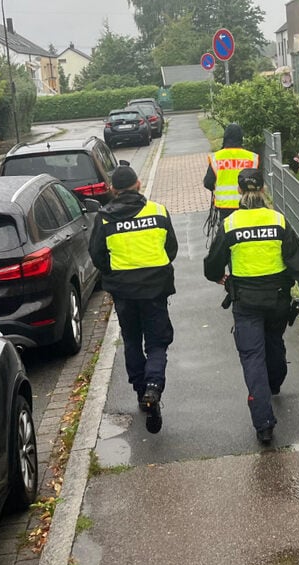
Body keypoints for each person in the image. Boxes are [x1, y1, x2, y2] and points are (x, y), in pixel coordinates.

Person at [203, 168, 299, 444]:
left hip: (246, 303)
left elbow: (212, 263)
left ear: (239, 191)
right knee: (274, 345)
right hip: (277, 301)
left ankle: (264, 424)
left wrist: (218, 277)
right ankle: (275, 382)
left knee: (252, 359)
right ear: (263, 190)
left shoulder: (231, 224)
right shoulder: (278, 221)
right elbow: (298, 262)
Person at [89, 165, 178, 433]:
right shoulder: (158, 212)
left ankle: (142, 393)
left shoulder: (104, 219)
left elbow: (97, 256)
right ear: (138, 184)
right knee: (157, 341)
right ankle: (154, 385)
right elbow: (170, 248)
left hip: (124, 293)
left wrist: (116, 275)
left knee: (131, 340)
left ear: (113, 190)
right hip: (155, 290)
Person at [203, 123, 259, 234]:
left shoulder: (217, 158)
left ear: (226, 138)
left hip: (225, 208)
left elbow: (208, 182)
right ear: (241, 138)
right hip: (247, 204)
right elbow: (258, 181)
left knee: (226, 236)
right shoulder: (252, 158)